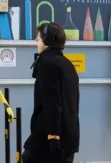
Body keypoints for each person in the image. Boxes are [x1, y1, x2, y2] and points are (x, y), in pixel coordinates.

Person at [22, 22, 80, 163]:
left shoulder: (48, 64)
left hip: (50, 140)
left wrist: (53, 137)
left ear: (47, 41)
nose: (36, 41)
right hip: (68, 137)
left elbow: (53, 102)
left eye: (39, 38)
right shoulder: (67, 64)